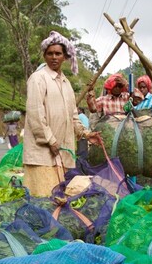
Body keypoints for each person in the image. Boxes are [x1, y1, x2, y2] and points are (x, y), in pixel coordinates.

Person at [22, 31, 101, 197]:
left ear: (65, 56)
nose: (54, 57)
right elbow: (36, 114)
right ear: (44, 55)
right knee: (43, 197)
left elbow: (73, 116)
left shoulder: (66, 84)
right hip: (41, 154)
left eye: (58, 53)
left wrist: (86, 134)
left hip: (61, 153)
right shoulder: (38, 78)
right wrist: (50, 140)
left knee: (57, 198)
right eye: (50, 53)